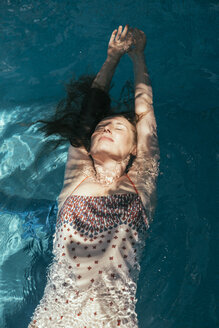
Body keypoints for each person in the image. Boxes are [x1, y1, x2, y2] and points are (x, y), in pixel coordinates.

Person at [29, 25, 160, 328]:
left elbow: (146, 117)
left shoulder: (139, 184)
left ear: (133, 151)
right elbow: (89, 112)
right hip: (53, 318)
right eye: (102, 126)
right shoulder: (78, 177)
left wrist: (137, 57)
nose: (105, 129)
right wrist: (111, 58)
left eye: (117, 128)